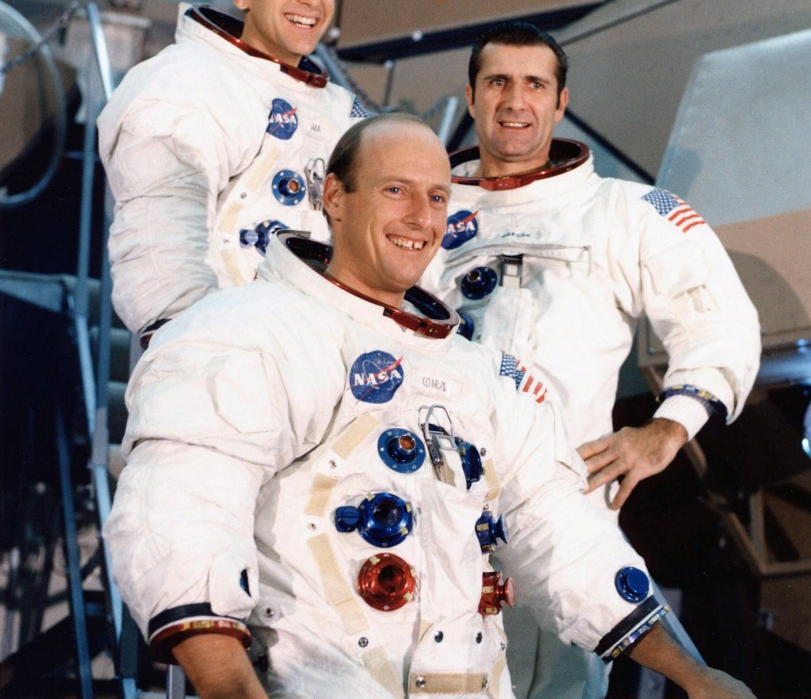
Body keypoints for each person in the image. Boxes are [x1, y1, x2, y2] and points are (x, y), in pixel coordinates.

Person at [105, 113, 758, 699]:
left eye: (437, 196)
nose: (421, 217)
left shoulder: (481, 373)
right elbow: (182, 509)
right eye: (395, 190)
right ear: (333, 196)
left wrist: (692, 674)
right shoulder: (250, 331)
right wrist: (228, 687)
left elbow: (561, 536)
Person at [422, 22, 761, 699]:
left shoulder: (624, 212)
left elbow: (721, 322)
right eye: (497, 82)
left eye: (533, 85)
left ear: (559, 100)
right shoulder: (417, 212)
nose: (515, 101)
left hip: (561, 520)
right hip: (428, 511)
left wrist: (667, 430)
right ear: (470, 94)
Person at [97, 0, 367, 341]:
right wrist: (191, 343)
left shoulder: (342, 111)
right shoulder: (187, 79)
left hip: (318, 354)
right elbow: (159, 228)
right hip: (220, 350)